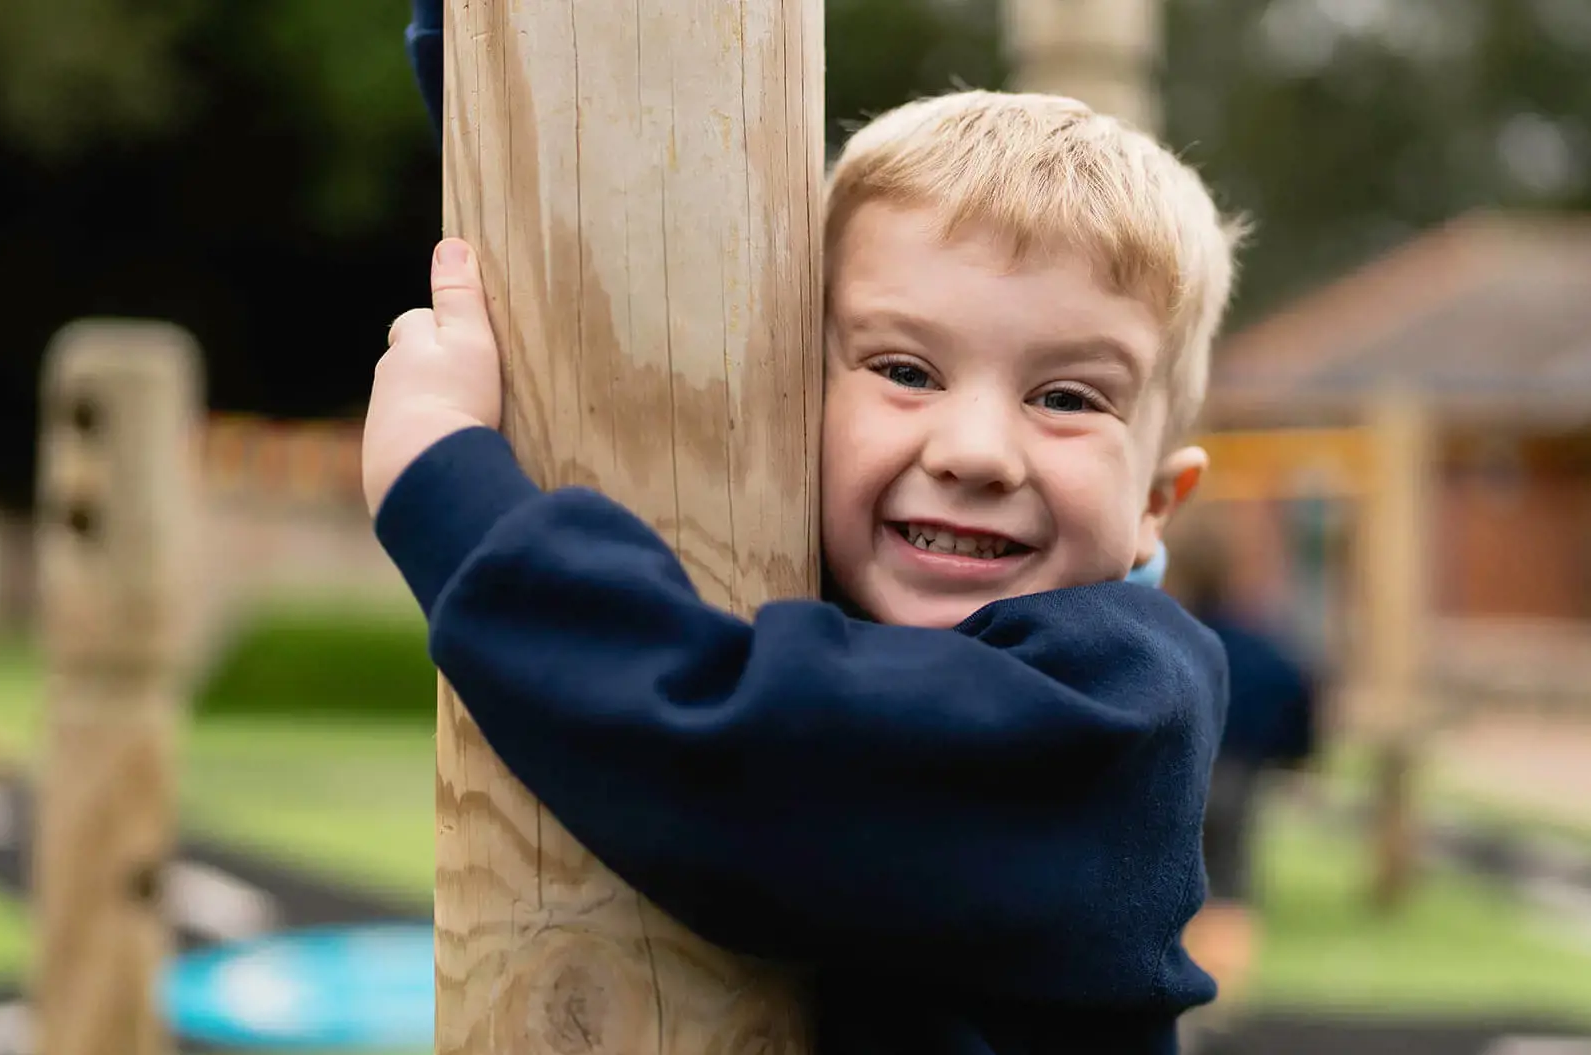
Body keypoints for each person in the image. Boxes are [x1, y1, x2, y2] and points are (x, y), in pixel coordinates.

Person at [366, 10, 1244, 1052]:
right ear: (792, 395)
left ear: (1156, 500)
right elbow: (614, 229)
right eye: (904, 370)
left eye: (1067, 397)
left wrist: (442, 486)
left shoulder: (1113, 704)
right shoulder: (826, 576)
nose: (976, 451)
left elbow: (739, 759)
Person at [1165, 518, 1320, 1050]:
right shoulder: (1258, 644)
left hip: (1178, 767)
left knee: (1169, 876)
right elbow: (1297, 694)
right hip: (1240, 768)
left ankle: (1178, 984)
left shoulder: (1167, 634)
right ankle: (1217, 997)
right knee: (1229, 878)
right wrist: (1296, 755)